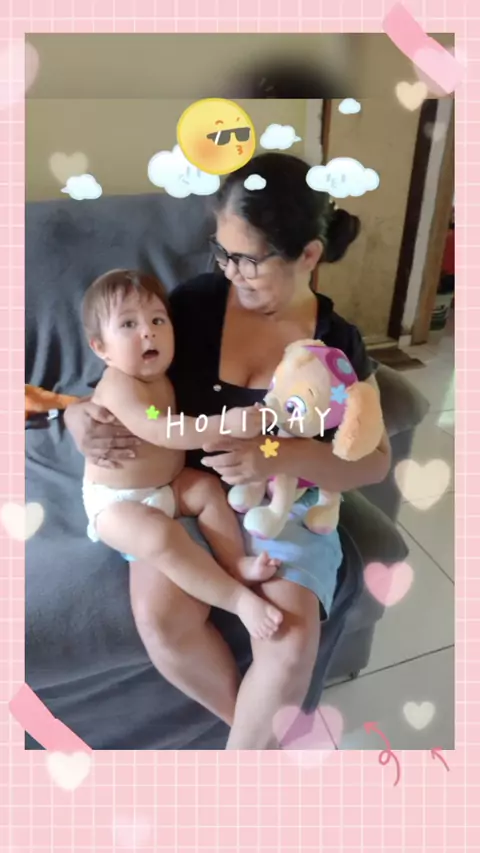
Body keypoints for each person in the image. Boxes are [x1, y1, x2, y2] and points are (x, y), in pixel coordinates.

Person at [65, 152, 391, 749]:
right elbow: (125, 375)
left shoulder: (335, 344)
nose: (231, 271)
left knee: (288, 637)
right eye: (222, 252)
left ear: (308, 255)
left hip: (284, 501)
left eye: (248, 260)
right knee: (163, 621)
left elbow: (373, 461)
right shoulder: (194, 305)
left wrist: (276, 456)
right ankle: (262, 753)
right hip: (185, 490)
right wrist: (78, 416)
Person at [80, 269, 283, 640]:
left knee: (206, 489)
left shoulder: (161, 377)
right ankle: (236, 599)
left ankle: (236, 562)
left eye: (158, 320)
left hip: (167, 486)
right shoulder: (120, 386)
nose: (148, 332)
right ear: (101, 348)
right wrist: (225, 424)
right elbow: (162, 429)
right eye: (128, 324)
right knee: (160, 538)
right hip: (117, 503)